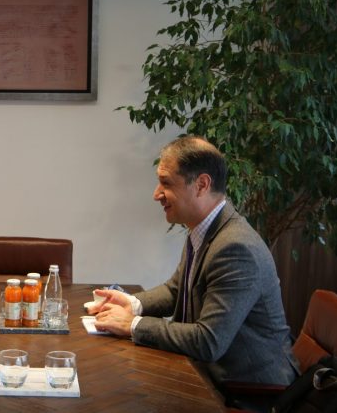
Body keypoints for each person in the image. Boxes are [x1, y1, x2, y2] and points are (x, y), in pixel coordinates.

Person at [90, 136, 298, 390]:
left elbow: (208, 341)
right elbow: (177, 290)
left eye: (166, 183)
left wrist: (132, 324)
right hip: (206, 373)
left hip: (248, 391)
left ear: (201, 185)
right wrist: (133, 304)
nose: (156, 194)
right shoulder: (203, 229)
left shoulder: (236, 248)